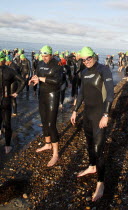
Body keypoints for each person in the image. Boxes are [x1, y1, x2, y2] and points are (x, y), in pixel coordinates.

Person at [71, 47, 114, 202]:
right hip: (88, 115)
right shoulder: (83, 72)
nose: (86, 61)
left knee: (98, 149)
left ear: (94, 56)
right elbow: (81, 93)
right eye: (83, 59)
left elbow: (110, 93)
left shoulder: (104, 69)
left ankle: (100, 183)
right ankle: (91, 166)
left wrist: (106, 115)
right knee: (89, 144)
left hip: (99, 115)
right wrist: (75, 111)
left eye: (88, 58)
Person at [29, 45, 62, 167]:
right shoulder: (40, 63)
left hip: (53, 95)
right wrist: (33, 81)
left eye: (46, 56)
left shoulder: (57, 65)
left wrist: (41, 78)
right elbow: (37, 76)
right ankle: (47, 143)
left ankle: (55, 155)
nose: (44, 58)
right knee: (43, 121)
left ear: (51, 55)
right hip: (42, 95)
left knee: (51, 124)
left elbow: (57, 81)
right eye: (42, 56)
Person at [0, 51, 25, 154]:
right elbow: (23, 81)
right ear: (4, 60)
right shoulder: (10, 70)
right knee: (7, 123)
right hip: (6, 99)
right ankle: (7, 146)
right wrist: (16, 93)